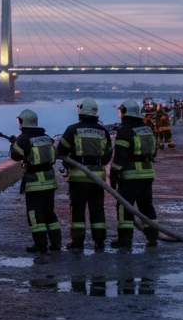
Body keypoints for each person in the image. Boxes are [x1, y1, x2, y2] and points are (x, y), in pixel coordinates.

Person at [56, 97, 111, 250]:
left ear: (80, 111)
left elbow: (61, 151)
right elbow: (108, 154)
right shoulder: (103, 131)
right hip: (97, 179)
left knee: (78, 210)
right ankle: (99, 241)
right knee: (97, 210)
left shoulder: (72, 130)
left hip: (78, 178)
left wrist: (70, 162)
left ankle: (77, 241)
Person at [9, 109, 61, 254]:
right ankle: (56, 244)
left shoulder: (24, 139)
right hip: (50, 182)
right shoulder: (46, 137)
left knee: (34, 214)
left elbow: (15, 156)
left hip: (35, 183)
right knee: (49, 214)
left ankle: (40, 245)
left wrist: (14, 143)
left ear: (22, 121)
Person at [110, 99, 160, 250]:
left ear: (125, 112)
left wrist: (114, 174)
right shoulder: (147, 129)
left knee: (125, 207)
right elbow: (154, 151)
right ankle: (153, 237)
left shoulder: (124, 130)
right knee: (146, 207)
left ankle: (125, 240)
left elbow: (120, 157)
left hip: (131, 176)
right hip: (147, 173)